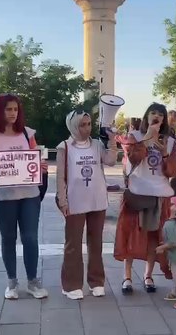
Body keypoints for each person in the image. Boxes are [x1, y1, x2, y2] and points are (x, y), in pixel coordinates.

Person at [0, 94, 49, 300]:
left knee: (30, 238)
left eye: (16, 109)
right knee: (8, 238)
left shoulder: (27, 134)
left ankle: (33, 282)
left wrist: (42, 167)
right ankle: (12, 282)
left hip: (29, 195)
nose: (13, 113)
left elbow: (36, 159)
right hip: (2, 197)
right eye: (8, 109)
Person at [114, 103, 176, 293]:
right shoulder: (134, 137)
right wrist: (147, 139)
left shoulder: (169, 141)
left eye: (160, 114)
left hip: (159, 194)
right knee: (130, 234)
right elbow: (133, 159)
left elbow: (173, 171)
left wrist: (165, 153)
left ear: (164, 119)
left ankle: (148, 275)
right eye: (153, 113)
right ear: (146, 116)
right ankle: (127, 277)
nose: (157, 116)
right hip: (137, 192)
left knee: (154, 237)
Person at [56, 110, 118, 300]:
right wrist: (62, 200)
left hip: (97, 200)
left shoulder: (97, 145)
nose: (87, 128)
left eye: (89, 124)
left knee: (96, 243)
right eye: (82, 125)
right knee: (73, 244)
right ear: (73, 125)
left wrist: (113, 140)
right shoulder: (64, 147)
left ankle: (96, 281)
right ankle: (71, 285)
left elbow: (111, 161)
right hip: (74, 202)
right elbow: (60, 177)